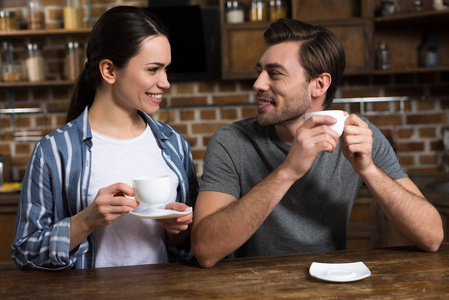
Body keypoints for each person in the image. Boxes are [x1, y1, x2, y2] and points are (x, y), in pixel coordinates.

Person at [191, 18, 444, 268]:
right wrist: (288, 171)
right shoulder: (231, 142)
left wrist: (368, 170)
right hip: (252, 288)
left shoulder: (359, 135)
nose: (258, 84)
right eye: (260, 72)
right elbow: (205, 250)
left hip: (331, 286)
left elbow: (432, 238)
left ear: (319, 84)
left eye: (274, 74)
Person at [11, 6, 198, 270]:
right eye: (153, 69)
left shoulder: (174, 144)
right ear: (109, 70)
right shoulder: (54, 151)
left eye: (166, 69)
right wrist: (85, 221)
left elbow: (192, 249)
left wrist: (177, 232)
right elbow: (24, 253)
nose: (165, 82)